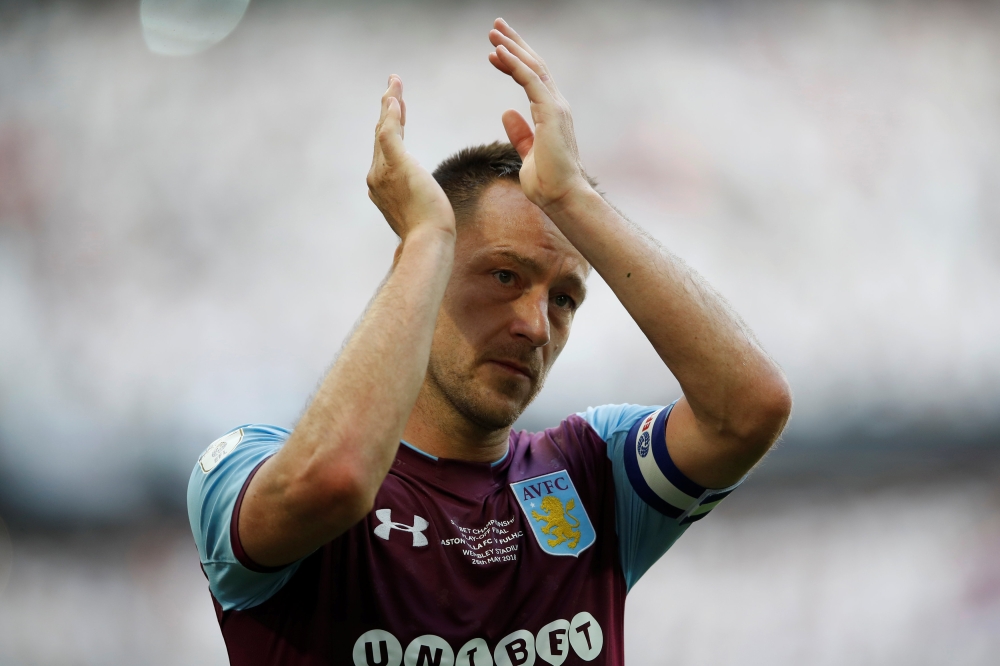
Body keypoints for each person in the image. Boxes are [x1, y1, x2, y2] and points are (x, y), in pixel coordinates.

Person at [188, 18, 791, 666]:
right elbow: (335, 480)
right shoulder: (246, 466)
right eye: (504, 276)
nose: (535, 325)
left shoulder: (592, 476)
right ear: (428, 276)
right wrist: (422, 240)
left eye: (563, 299)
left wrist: (573, 199)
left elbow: (749, 409)